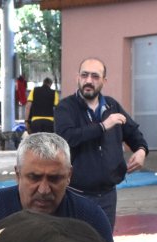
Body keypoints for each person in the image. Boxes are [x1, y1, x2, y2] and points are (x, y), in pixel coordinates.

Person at [0, 131, 113, 242]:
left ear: (69, 176)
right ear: (18, 175)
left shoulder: (91, 218)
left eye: (54, 178)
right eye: (34, 178)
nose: (44, 190)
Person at [55, 57, 149, 229]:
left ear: (104, 81)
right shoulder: (66, 107)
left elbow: (133, 132)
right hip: (76, 194)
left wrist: (142, 150)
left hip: (107, 195)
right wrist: (103, 126)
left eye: (95, 76)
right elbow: (66, 137)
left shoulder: (112, 106)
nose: (88, 81)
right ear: (77, 78)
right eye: (84, 75)